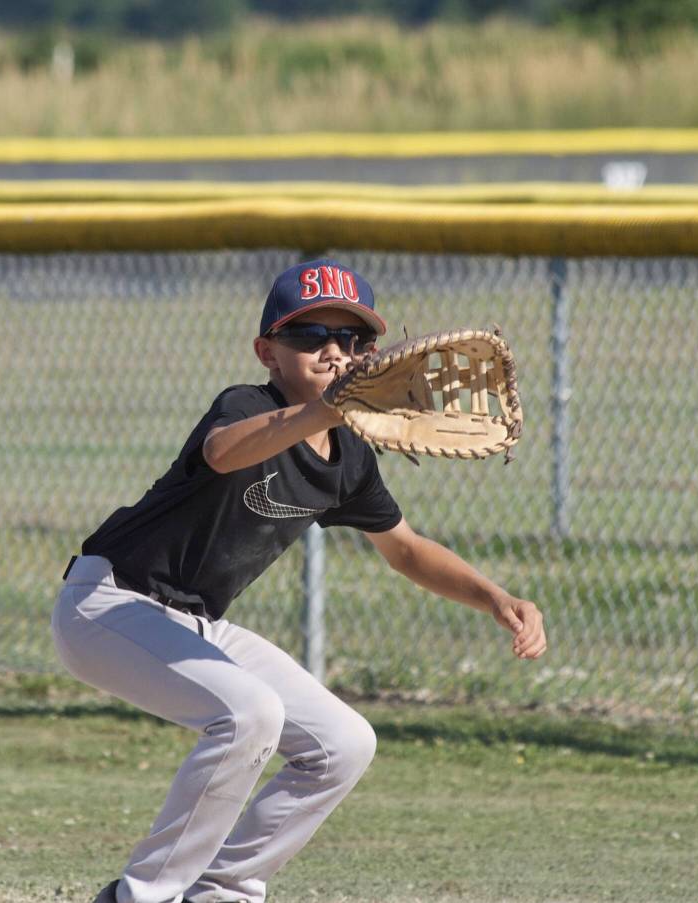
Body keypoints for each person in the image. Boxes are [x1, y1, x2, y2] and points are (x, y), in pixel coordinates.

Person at [51, 259, 547, 903]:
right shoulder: (247, 406)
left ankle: (223, 891)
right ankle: (141, 896)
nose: (334, 352)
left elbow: (405, 549)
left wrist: (495, 597)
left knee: (343, 743)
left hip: (198, 622)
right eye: (311, 336)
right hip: (108, 605)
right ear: (268, 352)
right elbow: (227, 452)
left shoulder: (349, 456)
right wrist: (334, 409)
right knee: (248, 713)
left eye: (353, 341)